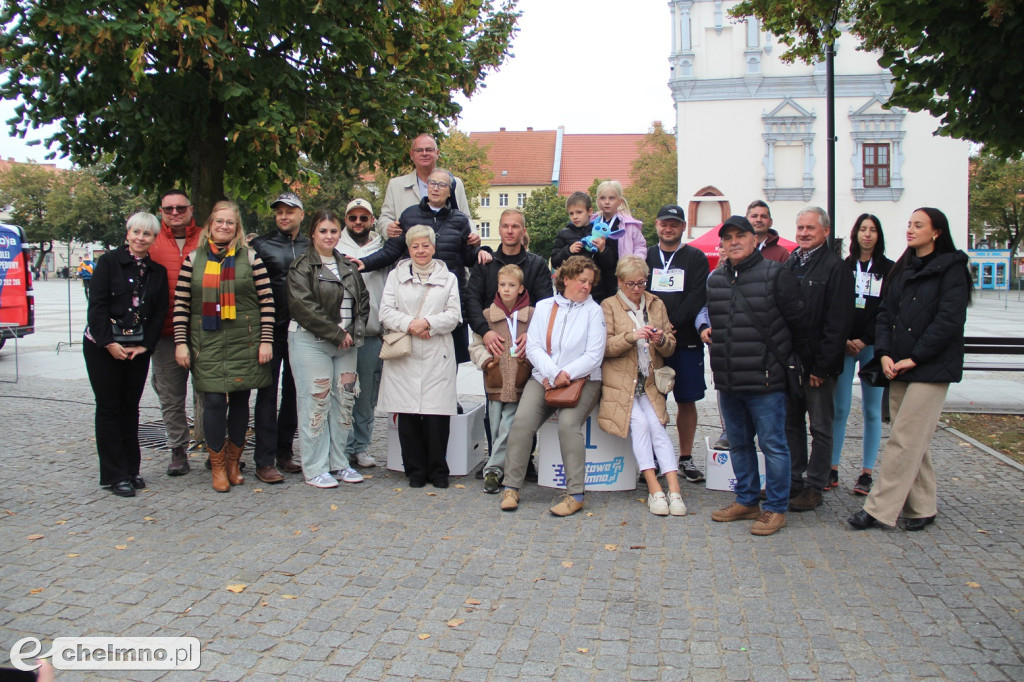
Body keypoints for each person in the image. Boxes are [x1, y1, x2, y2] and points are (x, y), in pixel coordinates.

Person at [849, 208, 972, 532]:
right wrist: (886, 353)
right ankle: (922, 507)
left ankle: (878, 509)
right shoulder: (902, 268)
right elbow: (886, 313)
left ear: (936, 233)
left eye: (919, 225)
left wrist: (916, 357)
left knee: (903, 440)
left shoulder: (952, 269)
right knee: (914, 439)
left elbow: (949, 320)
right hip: (899, 365)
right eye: (909, 224)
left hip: (930, 368)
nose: (910, 229)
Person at [704, 216, 807, 536]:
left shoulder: (776, 274)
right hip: (729, 379)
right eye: (728, 237)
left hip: (766, 379)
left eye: (740, 236)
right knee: (738, 444)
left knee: (774, 445)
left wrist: (788, 364)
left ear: (754, 239)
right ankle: (747, 499)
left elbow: (799, 324)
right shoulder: (716, 279)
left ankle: (775, 508)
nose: (733, 241)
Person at [173, 201, 275, 492]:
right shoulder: (193, 260)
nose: (224, 227)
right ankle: (217, 466)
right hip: (207, 342)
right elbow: (181, 305)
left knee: (242, 402)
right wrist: (181, 344)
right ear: (209, 226)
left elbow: (267, 302)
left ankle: (234, 461)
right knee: (215, 403)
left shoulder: (252, 258)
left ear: (237, 227)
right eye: (219, 221)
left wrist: (265, 340)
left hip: (245, 340)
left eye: (230, 222)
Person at [500, 255, 606, 517]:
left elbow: (594, 355)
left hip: (583, 381)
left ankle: (576, 494)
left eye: (590, 283)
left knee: (569, 425)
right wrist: (552, 372)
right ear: (566, 279)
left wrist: (565, 373)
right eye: (582, 281)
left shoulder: (594, 311)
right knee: (522, 424)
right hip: (544, 377)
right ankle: (511, 487)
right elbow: (533, 346)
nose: (586, 287)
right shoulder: (545, 306)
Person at [354, 168, 487, 364]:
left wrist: (481, 251)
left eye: (441, 185)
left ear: (450, 191)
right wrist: (364, 263)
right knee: (412, 358)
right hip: (414, 298)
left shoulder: (459, 220)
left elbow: (467, 258)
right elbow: (392, 250)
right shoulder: (409, 215)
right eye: (431, 183)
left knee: (448, 360)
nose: (435, 188)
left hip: (448, 295)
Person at [465, 208, 553, 487]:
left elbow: (546, 304)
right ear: (500, 229)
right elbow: (472, 301)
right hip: (496, 346)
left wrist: (534, 336)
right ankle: (497, 460)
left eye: (516, 226)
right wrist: (485, 332)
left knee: (525, 407)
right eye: (505, 226)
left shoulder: (537, 264)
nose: (510, 231)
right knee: (495, 405)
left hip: (525, 348)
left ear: (523, 230)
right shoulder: (485, 262)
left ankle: (524, 463)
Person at [83, 212, 168, 497]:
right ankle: (113, 474)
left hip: (137, 347)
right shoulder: (108, 263)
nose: (141, 238)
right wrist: (108, 344)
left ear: (154, 239)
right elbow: (96, 306)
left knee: (130, 407)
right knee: (109, 407)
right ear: (128, 233)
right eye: (137, 232)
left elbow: (158, 313)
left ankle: (132, 469)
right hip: (103, 345)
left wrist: (147, 345)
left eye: (147, 234)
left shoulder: (157, 272)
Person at [287, 210, 370, 488]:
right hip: (312, 343)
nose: (329, 236)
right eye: (323, 231)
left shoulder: (347, 265)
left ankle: (339, 463)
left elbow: (363, 301)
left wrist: (352, 333)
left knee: (344, 404)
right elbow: (303, 307)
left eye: (333, 231)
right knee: (316, 403)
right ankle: (315, 468)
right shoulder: (302, 266)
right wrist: (335, 333)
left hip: (346, 344)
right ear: (313, 233)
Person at [599, 256, 686, 517]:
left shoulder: (656, 304)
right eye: (630, 284)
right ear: (619, 281)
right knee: (640, 425)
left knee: (658, 427)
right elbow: (603, 347)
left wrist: (660, 339)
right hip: (621, 382)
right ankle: (653, 489)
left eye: (641, 283)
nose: (637, 289)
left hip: (649, 380)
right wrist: (631, 336)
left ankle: (674, 490)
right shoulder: (609, 306)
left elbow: (670, 346)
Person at [376, 224, 462, 488]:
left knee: (437, 416)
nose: (421, 250)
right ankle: (414, 470)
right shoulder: (395, 276)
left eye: (426, 245)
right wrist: (411, 324)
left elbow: (454, 315)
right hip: (406, 352)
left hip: (437, 352)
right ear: (408, 249)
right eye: (415, 246)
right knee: (409, 415)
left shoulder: (449, 278)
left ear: (434, 248)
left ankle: (438, 471)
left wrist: (427, 323)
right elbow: (385, 311)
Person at [784, 206, 854, 512]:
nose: (803, 233)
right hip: (791, 362)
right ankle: (793, 480)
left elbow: (838, 323)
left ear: (825, 231)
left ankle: (815, 486)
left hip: (817, 366)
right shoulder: (791, 263)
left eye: (810, 228)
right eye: (800, 228)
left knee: (821, 426)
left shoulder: (835, 268)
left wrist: (822, 367)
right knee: (792, 424)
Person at [644, 204, 709, 482]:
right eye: (664, 223)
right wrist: (655, 329)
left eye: (674, 224)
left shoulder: (695, 257)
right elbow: (638, 291)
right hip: (651, 342)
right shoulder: (645, 255)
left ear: (683, 227)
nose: (668, 228)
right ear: (657, 225)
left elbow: (697, 295)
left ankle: (685, 457)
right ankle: (655, 459)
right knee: (652, 400)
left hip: (686, 341)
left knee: (686, 400)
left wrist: (671, 325)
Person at [830, 214, 894, 495]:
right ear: (855, 234)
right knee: (839, 409)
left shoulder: (888, 270)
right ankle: (832, 468)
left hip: (871, 348)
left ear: (879, 236)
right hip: (845, 347)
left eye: (873, 230)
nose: (867, 235)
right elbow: (835, 306)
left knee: (871, 410)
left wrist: (866, 339)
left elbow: (886, 310)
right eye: (863, 230)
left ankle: (866, 473)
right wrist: (845, 338)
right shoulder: (843, 268)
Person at [249, 192, 311, 482]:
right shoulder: (261, 245)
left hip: (301, 329)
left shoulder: (310, 245)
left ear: (301, 214)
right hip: (271, 328)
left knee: (294, 393)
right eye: (279, 212)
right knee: (266, 393)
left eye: (290, 211)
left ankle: (284, 452)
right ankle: (263, 460)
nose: (284, 216)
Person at [149, 189, 205, 476]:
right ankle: (178, 449)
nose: (174, 213)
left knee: (210, 392)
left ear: (191, 209)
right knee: (171, 396)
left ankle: (213, 447)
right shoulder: (151, 240)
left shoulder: (206, 238)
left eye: (180, 208)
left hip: (204, 332)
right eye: (168, 209)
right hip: (165, 332)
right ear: (161, 211)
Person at [468, 264, 535, 493]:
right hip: (495, 379)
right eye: (502, 285)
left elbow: (542, 345)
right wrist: (487, 361)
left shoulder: (532, 316)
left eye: (512, 285)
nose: (506, 289)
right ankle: (503, 466)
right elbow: (475, 346)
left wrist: (528, 361)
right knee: (496, 425)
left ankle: (492, 470)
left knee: (509, 424)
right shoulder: (488, 316)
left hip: (520, 379)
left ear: (521, 288)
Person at [337, 198, 388, 469]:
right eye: (353, 217)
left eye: (363, 218)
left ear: (372, 220)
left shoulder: (382, 247)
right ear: (346, 220)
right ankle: (342, 447)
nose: (358, 222)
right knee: (343, 392)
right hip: (342, 334)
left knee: (367, 396)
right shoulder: (335, 245)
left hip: (371, 332)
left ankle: (361, 446)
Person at [378, 132, 476, 238]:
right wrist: (388, 227)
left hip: (447, 251)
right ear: (411, 154)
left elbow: (466, 218)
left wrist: (473, 235)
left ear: (437, 153)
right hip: (408, 250)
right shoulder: (396, 185)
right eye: (419, 150)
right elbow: (384, 218)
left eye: (429, 150)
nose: (424, 153)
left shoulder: (455, 183)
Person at [550, 191, 618, 302]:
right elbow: (555, 261)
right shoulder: (564, 233)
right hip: (570, 292)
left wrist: (602, 250)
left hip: (596, 292)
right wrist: (568, 251)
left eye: (579, 212)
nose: (575, 217)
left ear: (590, 211)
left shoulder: (599, 232)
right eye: (571, 213)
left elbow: (610, 264)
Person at [593, 180, 646, 258]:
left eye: (611, 198)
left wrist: (634, 265)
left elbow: (640, 247)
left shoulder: (629, 225)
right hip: (595, 269)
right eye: (602, 198)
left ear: (619, 202)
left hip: (623, 268)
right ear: (598, 201)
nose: (607, 202)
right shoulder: (592, 223)